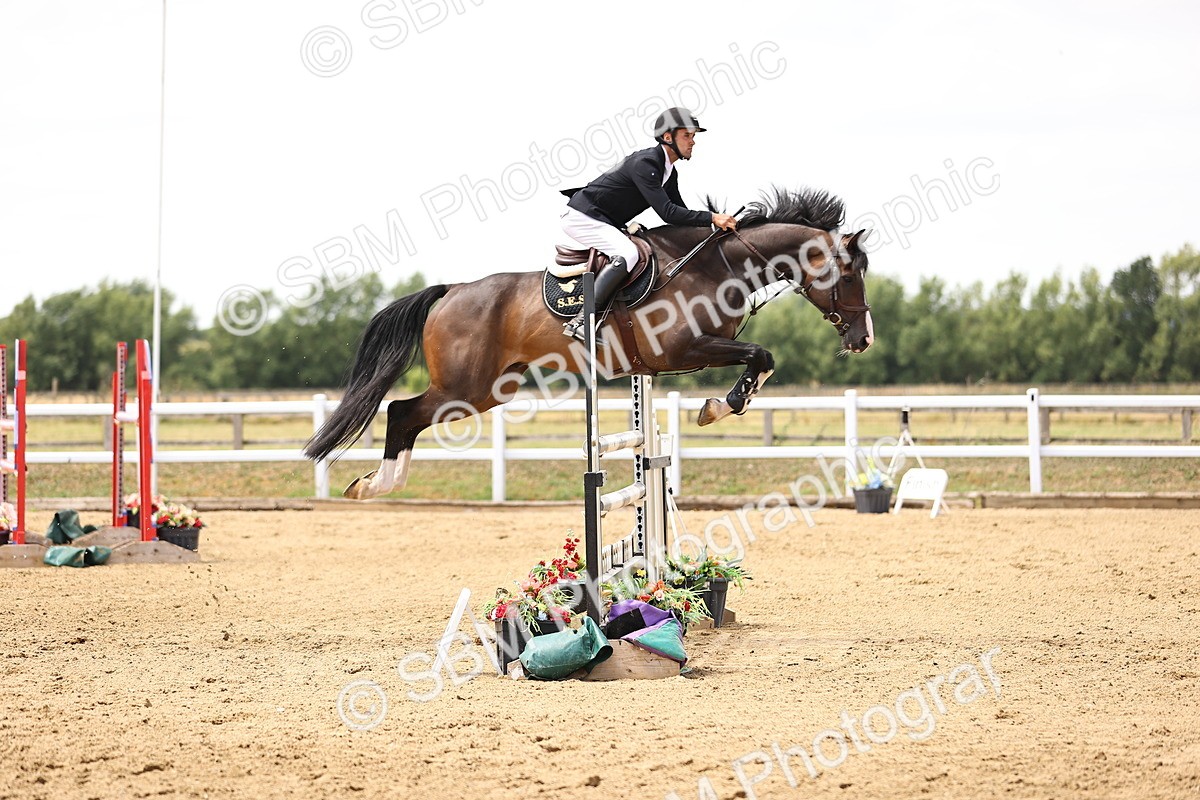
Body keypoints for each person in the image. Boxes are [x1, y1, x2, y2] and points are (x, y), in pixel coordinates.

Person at [558, 106, 738, 341]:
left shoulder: (668, 172)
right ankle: (582, 321)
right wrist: (712, 217)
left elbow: (680, 214)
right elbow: (668, 213)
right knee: (628, 254)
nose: (693, 142)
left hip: (602, 219)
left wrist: (715, 230)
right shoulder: (646, 164)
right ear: (667, 137)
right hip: (583, 217)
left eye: (693, 137)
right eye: (687, 135)